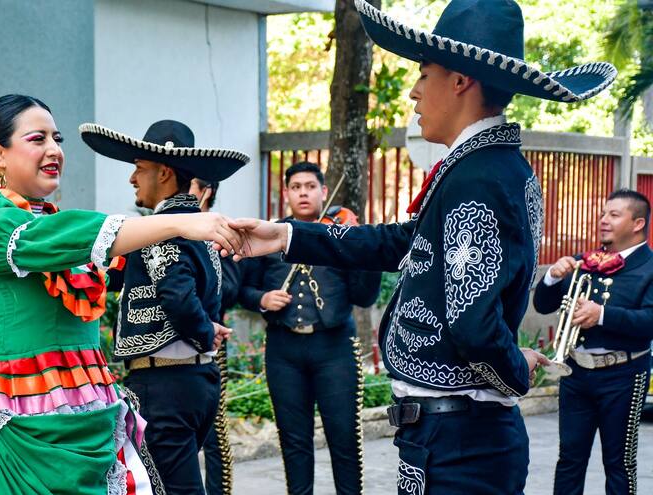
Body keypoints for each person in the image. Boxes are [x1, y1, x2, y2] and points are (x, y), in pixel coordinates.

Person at [226, 1, 616, 493]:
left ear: (460, 81)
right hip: (450, 434)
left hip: (462, 440)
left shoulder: (480, 176)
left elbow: (472, 321)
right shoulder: (477, 167)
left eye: (423, 75)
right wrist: (286, 235)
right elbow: (405, 241)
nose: (413, 91)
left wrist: (516, 370)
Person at [0, 96, 241, 495]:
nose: (54, 149)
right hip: (14, 423)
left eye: (56, 139)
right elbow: (78, 237)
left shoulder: (45, 222)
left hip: (87, 414)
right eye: (37, 138)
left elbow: (105, 259)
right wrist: (182, 221)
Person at [80, 119, 248, 495]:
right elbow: (192, 296)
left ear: (165, 172)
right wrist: (205, 329)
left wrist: (204, 334)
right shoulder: (198, 226)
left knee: (174, 489)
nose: (132, 179)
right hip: (194, 382)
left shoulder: (166, 226)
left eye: (139, 169)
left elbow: (177, 296)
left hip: (165, 385)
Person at [238, 161, 381, 495]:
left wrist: (367, 252)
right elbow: (240, 289)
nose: (303, 192)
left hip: (335, 350)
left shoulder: (341, 233)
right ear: (287, 192)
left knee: (344, 438)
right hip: (284, 351)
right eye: (296, 186)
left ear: (323, 192)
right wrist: (262, 298)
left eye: (310, 186)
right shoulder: (269, 235)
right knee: (293, 441)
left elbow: (364, 297)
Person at [533, 189, 653, 495]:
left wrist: (602, 315)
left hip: (623, 375)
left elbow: (648, 323)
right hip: (576, 373)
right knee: (569, 460)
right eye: (603, 213)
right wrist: (552, 278)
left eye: (614, 214)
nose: (603, 220)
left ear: (637, 223)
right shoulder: (584, 261)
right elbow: (543, 305)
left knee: (619, 464)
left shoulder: (649, 268)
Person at [189, 178, 239, 495]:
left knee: (215, 435)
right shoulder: (157, 229)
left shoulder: (222, 234)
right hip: (164, 352)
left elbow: (233, 289)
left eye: (189, 187)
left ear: (207, 192)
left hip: (210, 345)